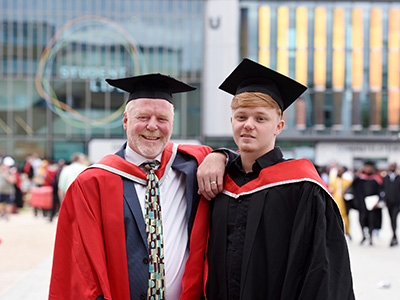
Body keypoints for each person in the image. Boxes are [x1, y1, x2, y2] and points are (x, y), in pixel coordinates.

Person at [49, 73, 229, 300]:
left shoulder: (195, 166)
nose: (152, 126)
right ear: (125, 121)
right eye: (143, 117)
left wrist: (221, 156)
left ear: (172, 125)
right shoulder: (92, 184)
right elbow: (77, 266)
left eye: (162, 119)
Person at [186, 58, 355, 299]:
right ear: (231, 121)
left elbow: (324, 272)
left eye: (261, 118)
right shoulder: (216, 181)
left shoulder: (303, 187)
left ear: (279, 126)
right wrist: (219, 155)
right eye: (241, 117)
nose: (249, 125)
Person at [351, 161, 384, 246]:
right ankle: (363, 236)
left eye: (370, 167)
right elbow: (353, 188)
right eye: (366, 167)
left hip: (373, 205)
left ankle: (371, 238)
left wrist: (379, 201)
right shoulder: (359, 179)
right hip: (362, 204)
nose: (368, 169)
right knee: (362, 220)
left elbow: (381, 191)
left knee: (371, 221)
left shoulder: (376, 179)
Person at [329, 165, 353, 238]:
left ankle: (347, 232)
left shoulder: (346, 181)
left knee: (345, 216)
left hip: (344, 201)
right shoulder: (333, 181)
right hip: (336, 200)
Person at [382, 162, 400, 247]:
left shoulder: (399, 178)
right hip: (389, 203)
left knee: (394, 218)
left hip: (397, 203)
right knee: (391, 220)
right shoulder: (385, 178)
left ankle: (394, 237)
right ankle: (394, 235)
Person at [0, 156, 17, 221]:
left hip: (9, 191)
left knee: (9, 204)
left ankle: (7, 216)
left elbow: (13, 181)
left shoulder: (11, 172)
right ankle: (2, 214)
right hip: (1, 190)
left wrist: (6, 174)